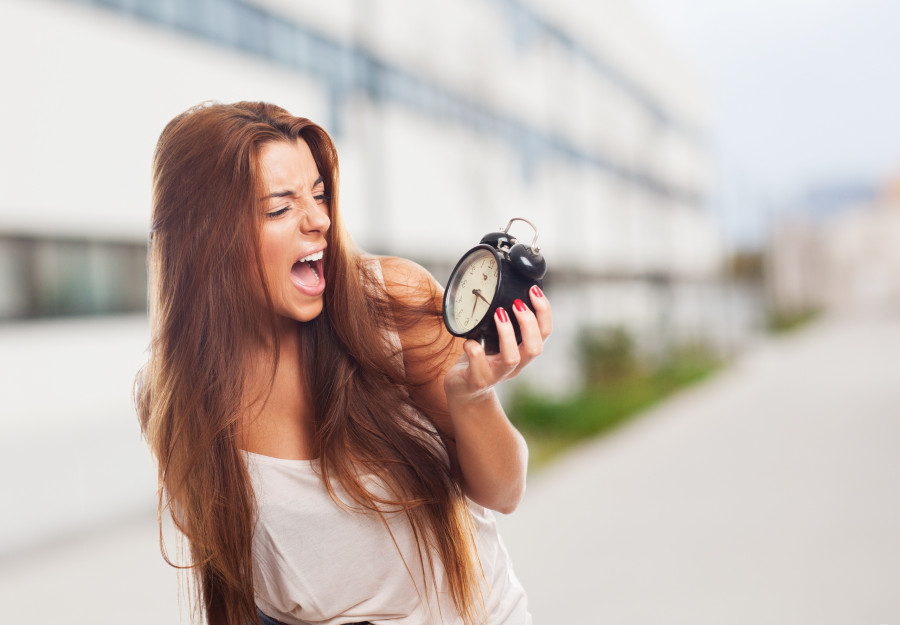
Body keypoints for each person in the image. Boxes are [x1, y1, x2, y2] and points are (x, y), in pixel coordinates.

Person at [135, 101, 552, 625]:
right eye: (280, 209)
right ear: (204, 237)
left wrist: (473, 395)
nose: (320, 221)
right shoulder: (175, 399)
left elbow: (504, 491)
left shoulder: (391, 302)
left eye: (319, 194)